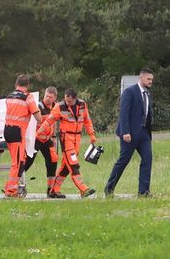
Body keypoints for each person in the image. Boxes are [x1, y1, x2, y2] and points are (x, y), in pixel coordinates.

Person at [104, 67, 154, 197]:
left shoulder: (147, 93)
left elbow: (146, 113)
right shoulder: (129, 92)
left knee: (147, 159)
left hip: (144, 134)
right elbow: (124, 113)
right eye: (148, 79)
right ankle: (109, 189)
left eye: (151, 79)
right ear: (141, 77)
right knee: (123, 160)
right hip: (129, 134)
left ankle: (143, 192)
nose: (150, 82)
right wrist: (125, 132)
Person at [37, 88, 96, 198]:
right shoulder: (59, 106)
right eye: (65, 100)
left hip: (77, 138)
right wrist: (39, 131)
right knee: (73, 164)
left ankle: (54, 189)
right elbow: (49, 120)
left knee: (66, 166)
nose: (67, 103)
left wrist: (91, 134)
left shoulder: (82, 104)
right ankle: (83, 189)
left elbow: (87, 120)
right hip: (66, 138)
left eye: (69, 101)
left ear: (75, 99)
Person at [3, 74, 42, 198]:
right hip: (17, 132)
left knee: (17, 160)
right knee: (18, 163)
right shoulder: (28, 97)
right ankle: (11, 190)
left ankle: (10, 187)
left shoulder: (9, 96)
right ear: (28, 86)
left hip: (7, 130)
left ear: (16, 84)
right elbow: (38, 118)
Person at [23, 86, 59, 197]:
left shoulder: (56, 107)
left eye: (50, 97)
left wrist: (53, 137)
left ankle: (51, 189)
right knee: (27, 161)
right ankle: (14, 184)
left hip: (47, 139)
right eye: (46, 96)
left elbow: (54, 123)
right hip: (35, 138)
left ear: (55, 98)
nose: (48, 98)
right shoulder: (38, 106)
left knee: (53, 160)